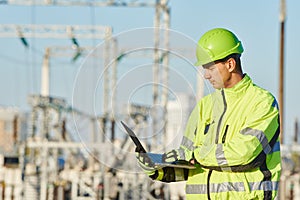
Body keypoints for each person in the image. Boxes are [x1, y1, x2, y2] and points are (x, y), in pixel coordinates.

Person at [136, 28, 281, 199]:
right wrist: (157, 169)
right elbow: (189, 165)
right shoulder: (204, 107)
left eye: (210, 68)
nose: (205, 75)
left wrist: (196, 155)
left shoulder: (262, 103)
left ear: (230, 64)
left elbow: (245, 153)